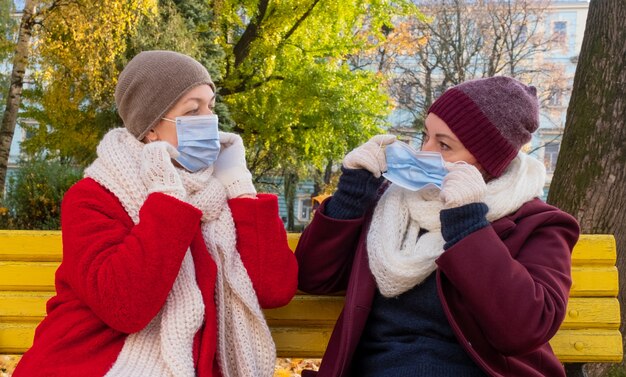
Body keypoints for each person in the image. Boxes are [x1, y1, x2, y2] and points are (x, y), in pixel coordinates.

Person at [13, 50, 298, 377]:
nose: (210, 120)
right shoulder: (93, 197)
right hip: (91, 362)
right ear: (151, 129)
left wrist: (240, 183)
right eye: (193, 110)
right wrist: (167, 195)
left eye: (211, 106)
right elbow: (125, 308)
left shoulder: (221, 195)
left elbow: (274, 289)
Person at [295, 76, 580, 377]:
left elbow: (523, 329)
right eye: (426, 136)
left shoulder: (539, 224)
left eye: (444, 145)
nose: (425, 152)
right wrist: (351, 195)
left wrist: (468, 224)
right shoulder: (391, 204)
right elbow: (315, 278)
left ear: (486, 162)